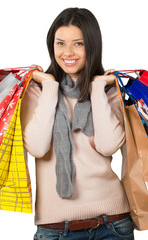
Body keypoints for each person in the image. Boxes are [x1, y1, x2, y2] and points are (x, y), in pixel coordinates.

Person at [21, 7, 135, 240]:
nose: (68, 52)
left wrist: (97, 90)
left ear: (92, 45)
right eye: (60, 43)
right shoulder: (36, 90)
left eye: (78, 44)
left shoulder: (108, 89)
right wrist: (50, 87)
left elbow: (108, 146)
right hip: (55, 229)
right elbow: (38, 148)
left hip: (112, 225)